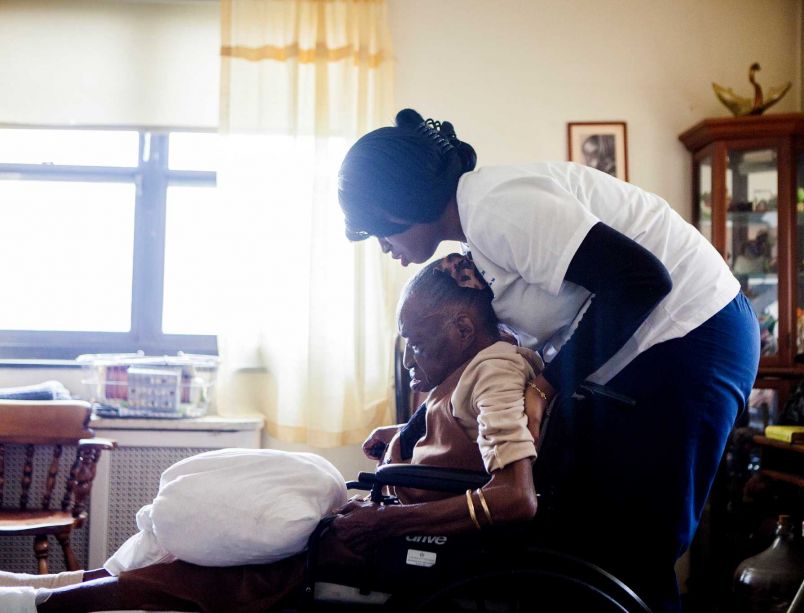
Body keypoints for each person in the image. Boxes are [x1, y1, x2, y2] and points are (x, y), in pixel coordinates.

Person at [337, 108, 761, 611]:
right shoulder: (480, 232)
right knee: (585, 530)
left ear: (397, 207)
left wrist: (545, 389)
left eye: (377, 232)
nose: (383, 247)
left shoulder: (495, 207)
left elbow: (640, 281)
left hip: (692, 336)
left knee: (632, 550)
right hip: (655, 350)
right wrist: (418, 434)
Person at [1, 255, 545, 613]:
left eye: (418, 344)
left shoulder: (493, 369)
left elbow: (514, 496)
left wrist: (388, 520)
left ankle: (53, 603)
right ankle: (59, 587)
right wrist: (402, 434)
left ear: (463, 328)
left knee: (242, 565)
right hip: (401, 520)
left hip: (423, 542)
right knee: (210, 535)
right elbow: (462, 436)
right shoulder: (474, 365)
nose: (410, 359)